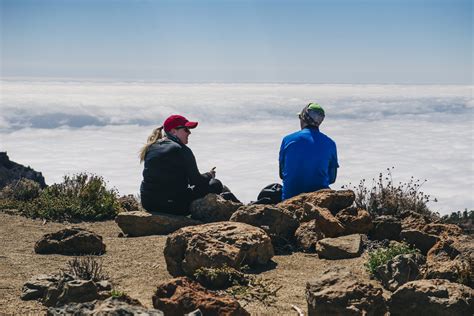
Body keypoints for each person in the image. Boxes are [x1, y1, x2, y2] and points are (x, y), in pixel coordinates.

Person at [139, 114, 226, 215]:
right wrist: (209, 175)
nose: (189, 132)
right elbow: (197, 181)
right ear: (173, 131)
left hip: (148, 203)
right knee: (215, 184)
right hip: (172, 206)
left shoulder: (151, 147)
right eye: (186, 129)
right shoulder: (181, 149)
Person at [278, 102, 339, 200]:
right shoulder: (330, 143)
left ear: (304, 119)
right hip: (319, 200)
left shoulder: (287, 140)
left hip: (289, 200)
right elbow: (332, 179)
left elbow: (282, 174)